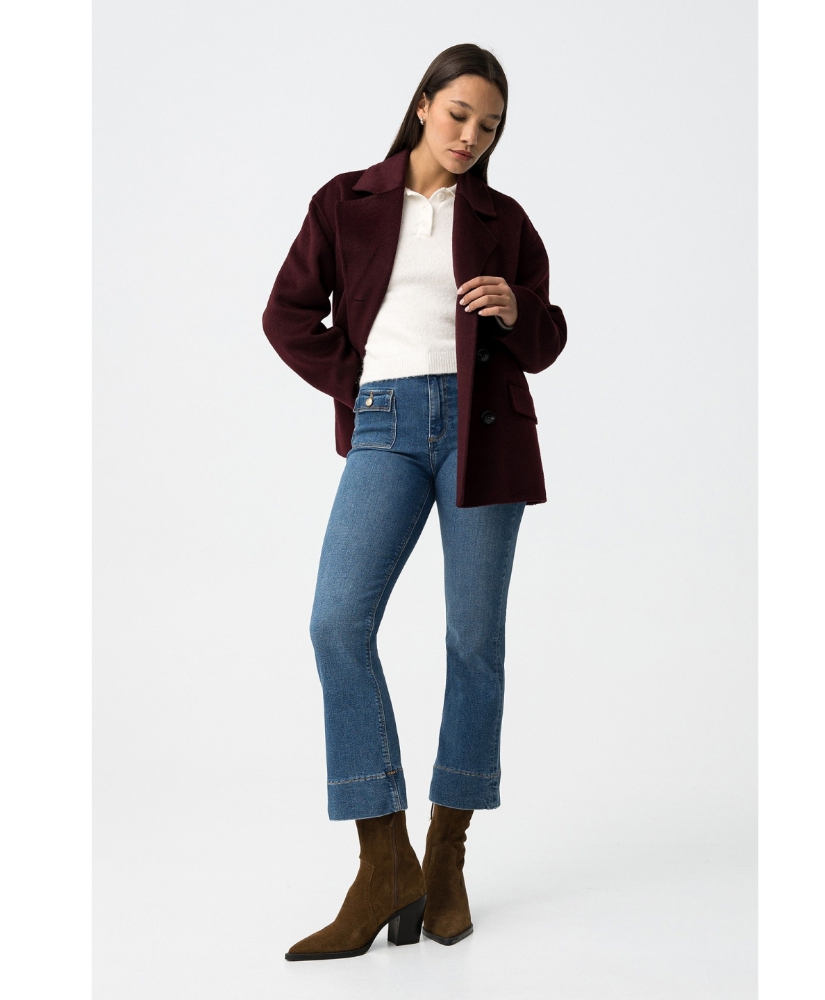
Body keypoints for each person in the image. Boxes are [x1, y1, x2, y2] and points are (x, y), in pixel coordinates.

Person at [262, 42, 567, 961]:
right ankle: (383, 860)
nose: (472, 135)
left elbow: (548, 337)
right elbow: (286, 314)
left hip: (485, 429)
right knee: (336, 622)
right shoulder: (347, 201)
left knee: (474, 641)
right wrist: (355, 387)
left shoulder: (504, 220)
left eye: (491, 126)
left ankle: (447, 855)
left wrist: (516, 309)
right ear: (425, 103)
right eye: (460, 113)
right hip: (387, 421)